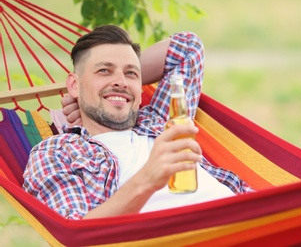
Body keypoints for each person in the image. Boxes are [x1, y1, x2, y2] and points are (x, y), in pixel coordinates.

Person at [23, 25, 253, 220]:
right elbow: (75, 234)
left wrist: (105, 86)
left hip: (254, 220)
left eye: (131, 74)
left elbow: (187, 48)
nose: (121, 81)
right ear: (73, 84)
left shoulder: (161, 120)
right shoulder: (57, 152)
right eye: (104, 70)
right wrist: (147, 179)